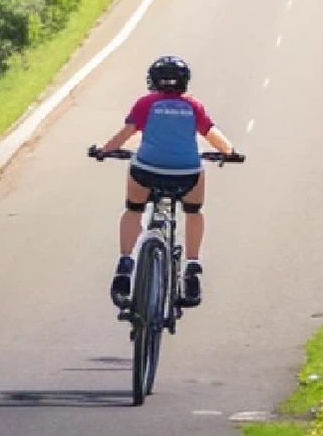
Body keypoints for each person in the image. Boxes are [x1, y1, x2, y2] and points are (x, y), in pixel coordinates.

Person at [91, 55, 242, 309]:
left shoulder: (145, 104)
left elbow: (125, 134)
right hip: (186, 174)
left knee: (134, 209)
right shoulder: (193, 106)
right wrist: (230, 152)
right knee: (194, 211)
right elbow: (212, 134)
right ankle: (192, 267)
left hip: (147, 170)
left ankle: (125, 264)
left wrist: (104, 151)